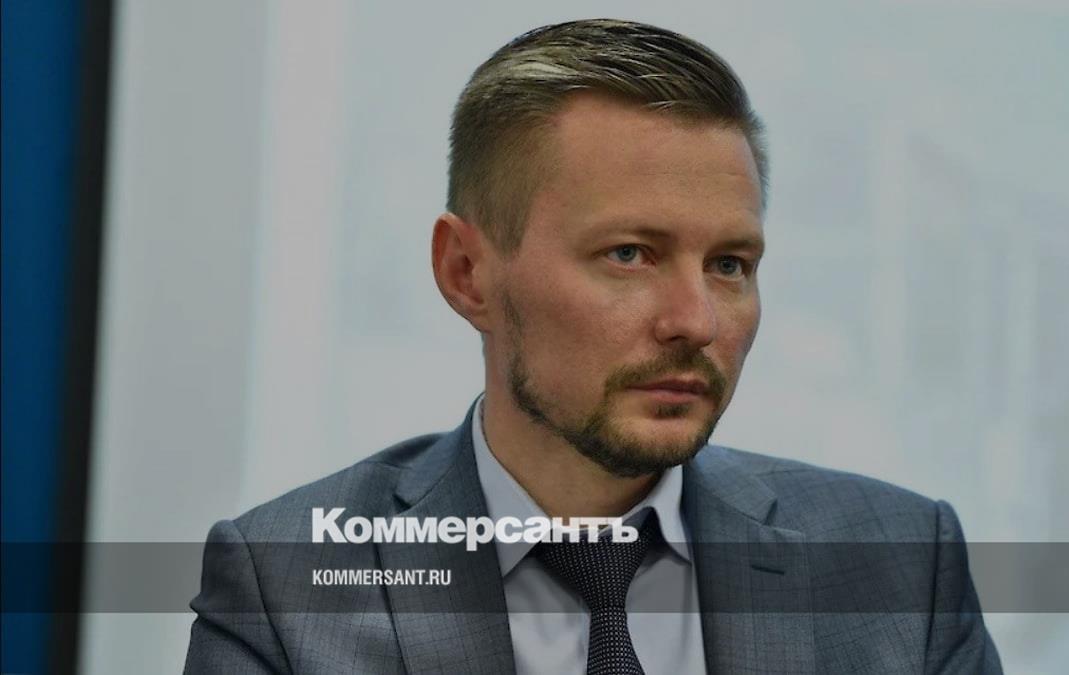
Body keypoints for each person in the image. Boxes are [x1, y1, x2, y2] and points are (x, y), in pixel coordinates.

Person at [184, 18, 1001, 674]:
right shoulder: (285, 589)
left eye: (729, 264)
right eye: (630, 254)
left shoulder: (901, 565)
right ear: (466, 272)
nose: (695, 321)